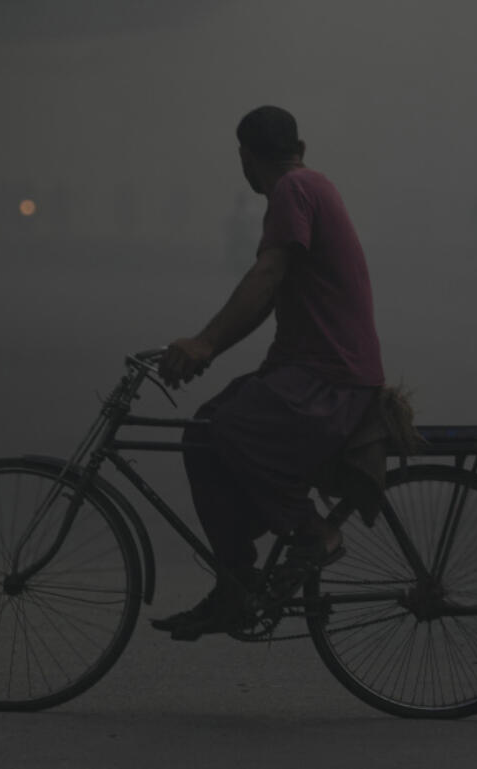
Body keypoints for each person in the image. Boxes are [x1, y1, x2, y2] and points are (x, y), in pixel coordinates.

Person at [152, 106, 386, 641]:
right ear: (299, 144)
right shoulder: (310, 185)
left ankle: (315, 531)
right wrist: (207, 347)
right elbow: (269, 291)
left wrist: (205, 341)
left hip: (331, 378)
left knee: (232, 428)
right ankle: (235, 584)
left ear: (245, 158)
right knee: (204, 437)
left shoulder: (292, 191)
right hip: (313, 372)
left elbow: (268, 273)